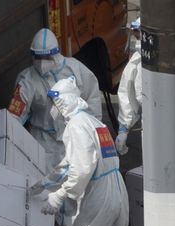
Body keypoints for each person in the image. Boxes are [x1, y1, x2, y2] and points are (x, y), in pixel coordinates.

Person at [39, 78, 145, 226]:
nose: (53, 109)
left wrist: (59, 196)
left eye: (55, 103)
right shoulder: (94, 123)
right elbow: (71, 163)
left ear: (64, 102)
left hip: (99, 194)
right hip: (116, 187)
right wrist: (45, 182)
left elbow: (82, 169)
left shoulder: (75, 126)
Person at [7, 27, 103, 169]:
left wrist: (93, 132)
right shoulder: (27, 80)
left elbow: (92, 97)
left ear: (56, 54)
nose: (42, 62)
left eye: (46, 57)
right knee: (45, 185)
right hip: (43, 141)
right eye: (38, 57)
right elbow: (14, 117)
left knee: (76, 181)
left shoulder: (76, 69)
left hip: (74, 138)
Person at [114, 19, 142, 157]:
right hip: (150, 118)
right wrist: (124, 128)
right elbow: (126, 92)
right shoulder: (137, 59)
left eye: (137, 33)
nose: (135, 37)